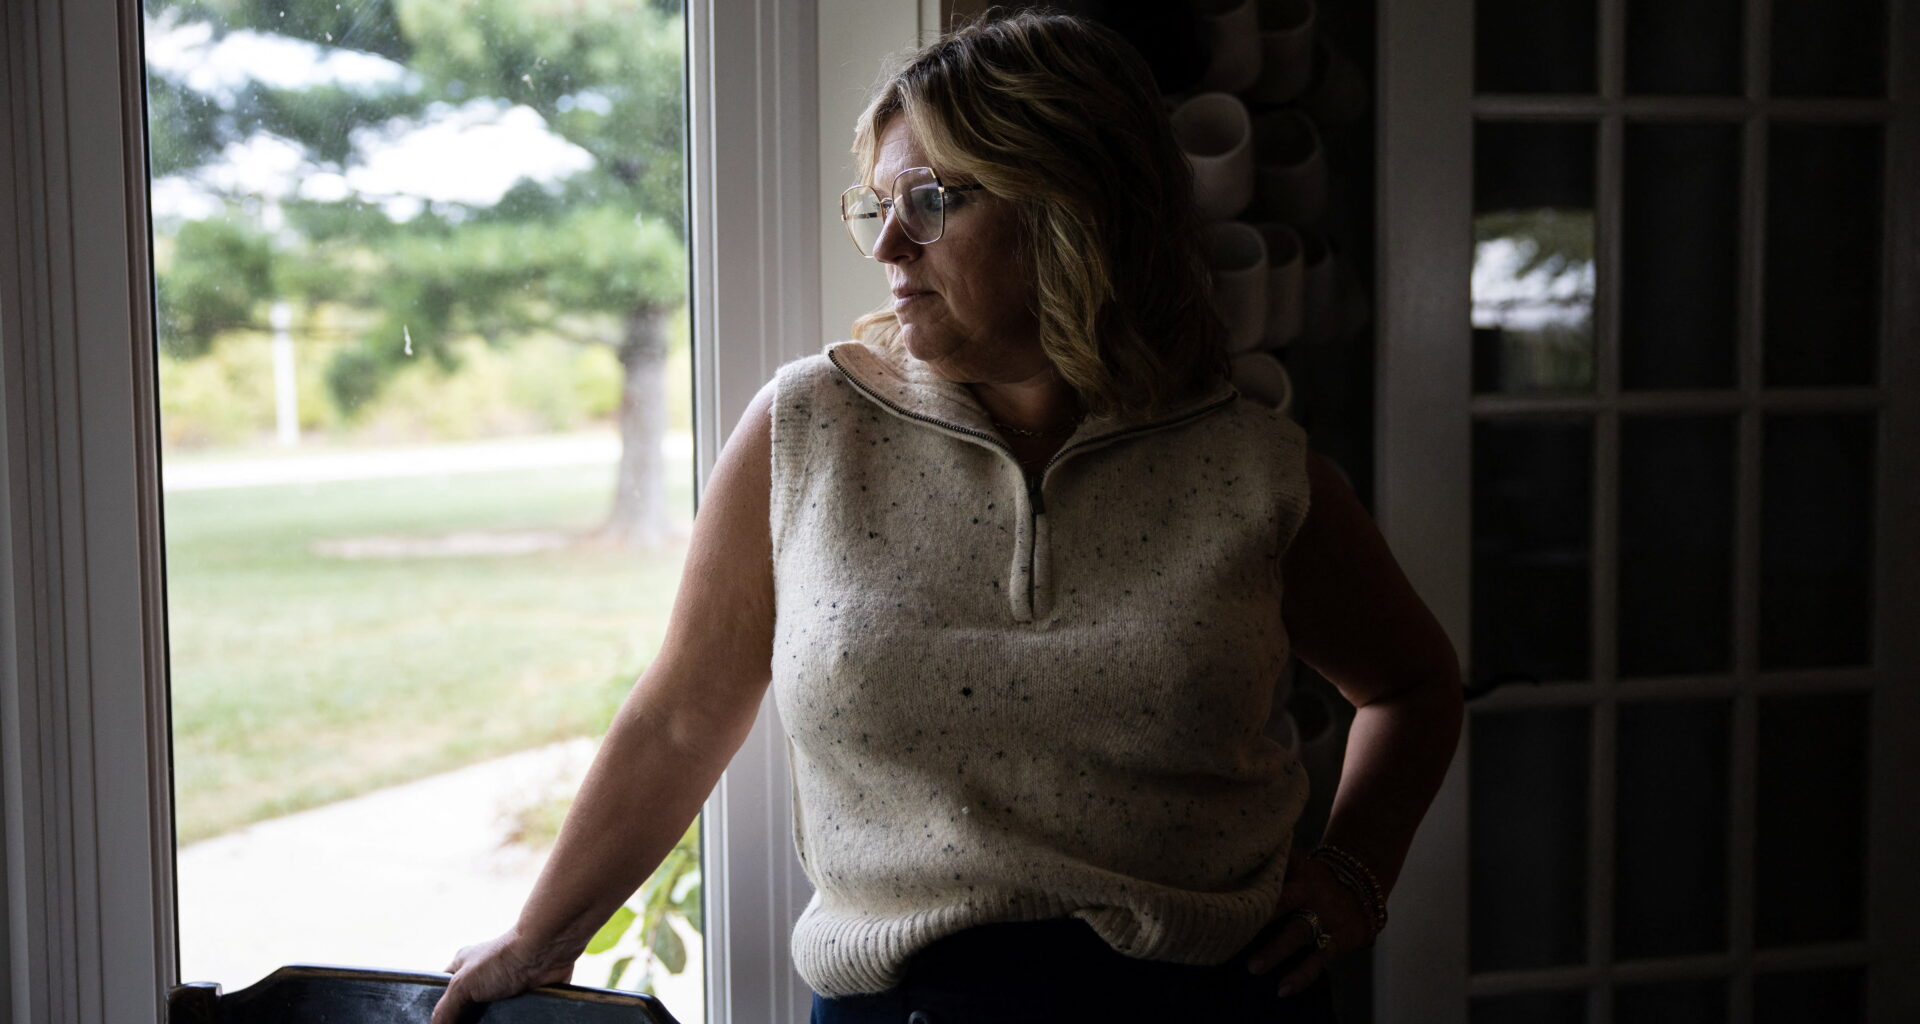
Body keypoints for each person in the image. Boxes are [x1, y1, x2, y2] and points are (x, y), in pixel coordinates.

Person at [433, 11, 1461, 1024]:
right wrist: (540, 939)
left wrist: (1355, 877)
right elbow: (681, 715)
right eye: (876, 205)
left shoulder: (1251, 468)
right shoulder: (809, 428)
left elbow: (1413, 686)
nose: (887, 244)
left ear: (1070, 206)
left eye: (931, 202)